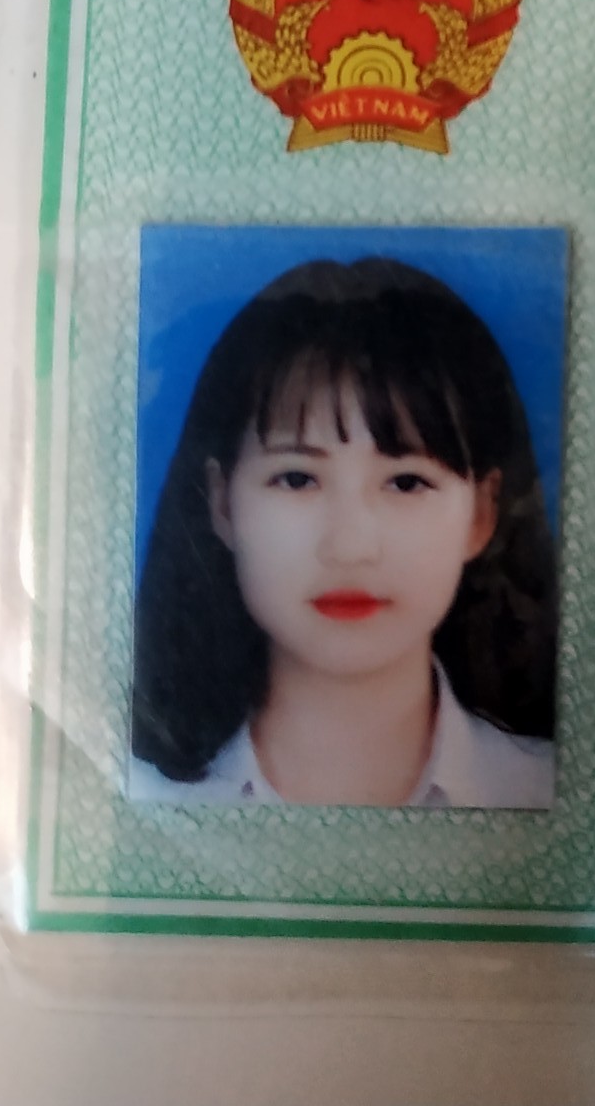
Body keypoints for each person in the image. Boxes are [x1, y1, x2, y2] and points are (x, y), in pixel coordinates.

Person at [130, 256, 556, 808]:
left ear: (481, 514)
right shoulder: (145, 799)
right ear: (222, 503)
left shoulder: (543, 791)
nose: (350, 547)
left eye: (406, 482)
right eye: (297, 478)